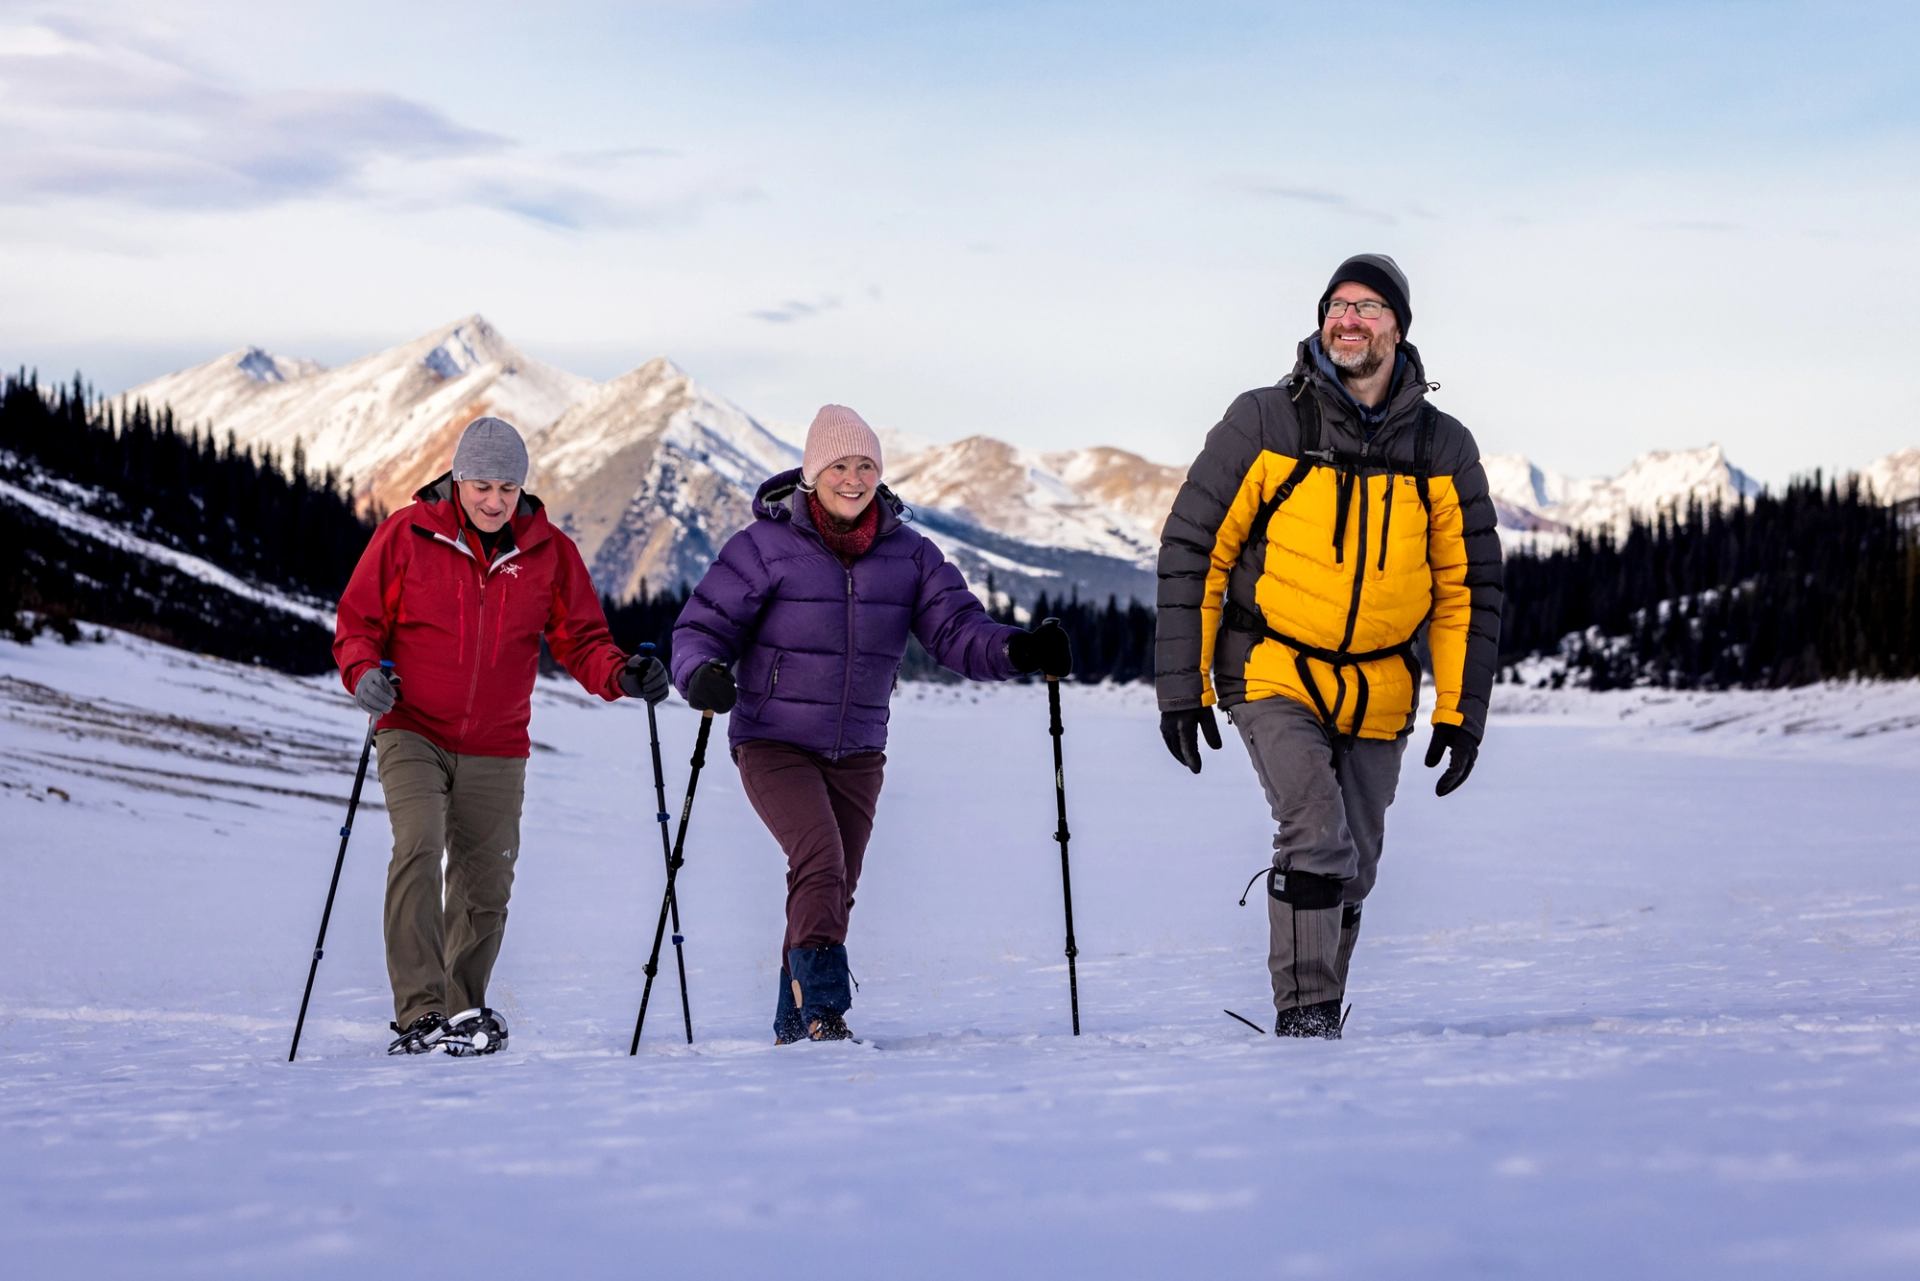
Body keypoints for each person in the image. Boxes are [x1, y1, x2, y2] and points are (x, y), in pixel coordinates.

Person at [1155, 254, 1503, 1038]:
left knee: (1355, 868)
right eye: (1338, 305)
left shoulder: (1443, 448)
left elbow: (1467, 591)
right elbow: (1194, 547)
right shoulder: (1265, 420)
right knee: (1313, 832)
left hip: (1380, 687)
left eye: (1370, 307)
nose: (1349, 319)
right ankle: (1305, 1023)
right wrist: (1183, 685)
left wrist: (1462, 709)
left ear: (1399, 330)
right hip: (1270, 662)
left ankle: (1321, 1021)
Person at [672, 404, 1071, 1044]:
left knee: (834, 882)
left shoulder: (910, 555)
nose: (853, 479)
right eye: (839, 466)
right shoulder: (762, 547)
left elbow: (957, 631)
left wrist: (1019, 651)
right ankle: (825, 1015)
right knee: (821, 859)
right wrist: (699, 674)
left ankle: (792, 1023)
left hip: (858, 748)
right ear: (811, 474)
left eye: (865, 466)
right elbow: (700, 628)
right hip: (772, 739)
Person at [333, 415, 670, 1056]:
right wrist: (362, 675)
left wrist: (623, 675)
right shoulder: (406, 535)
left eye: (507, 489)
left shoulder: (549, 553)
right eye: (481, 486)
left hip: (498, 743)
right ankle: (421, 1012)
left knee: (487, 883)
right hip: (411, 726)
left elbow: (583, 640)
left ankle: (463, 1009)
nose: (493, 501)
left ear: (523, 490)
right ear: (456, 481)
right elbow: (358, 622)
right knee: (418, 844)